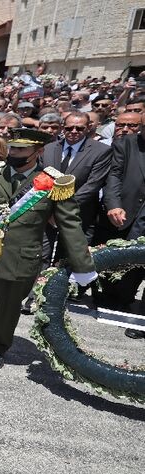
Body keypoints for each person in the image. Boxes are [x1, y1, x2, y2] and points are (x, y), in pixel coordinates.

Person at [0, 128, 97, 369]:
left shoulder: (55, 182)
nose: (14, 153)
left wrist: (82, 265)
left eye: (21, 149)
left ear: (38, 151)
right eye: (11, 148)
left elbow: (70, 225)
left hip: (20, 257)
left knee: (7, 309)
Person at [96, 114, 145, 329]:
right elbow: (114, 175)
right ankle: (114, 300)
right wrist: (113, 204)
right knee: (119, 258)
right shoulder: (127, 143)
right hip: (126, 211)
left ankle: (135, 312)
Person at [41, 112, 113, 245]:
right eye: (69, 128)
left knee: (69, 259)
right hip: (47, 214)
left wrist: (62, 209)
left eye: (79, 128)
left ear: (88, 127)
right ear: (63, 127)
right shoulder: (48, 149)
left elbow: (92, 185)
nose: (74, 131)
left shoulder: (101, 151)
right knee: (43, 256)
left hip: (79, 214)